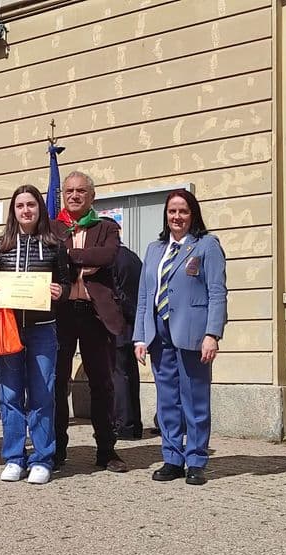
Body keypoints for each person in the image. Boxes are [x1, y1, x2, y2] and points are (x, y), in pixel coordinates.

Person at [133, 189, 227, 486]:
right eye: (172, 211)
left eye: (183, 211)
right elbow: (145, 296)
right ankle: (172, 458)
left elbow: (217, 292)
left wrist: (212, 334)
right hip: (159, 332)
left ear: (193, 214)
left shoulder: (206, 245)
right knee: (167, 401)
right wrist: (140, 337)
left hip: (192, 332)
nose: (177, 217)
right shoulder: (154, 249)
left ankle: (196, 460)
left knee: (194, 399)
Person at [0, 185, 70, 484]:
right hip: (8, 328)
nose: (26, 210)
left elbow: (66, 284)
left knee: (43, 394)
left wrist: (60, 291)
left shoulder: (55, 245)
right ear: (13, 211)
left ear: (39, 208)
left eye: (31, 205)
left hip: (42, 329)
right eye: (20, 206)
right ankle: (14, 457)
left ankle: (42, 458)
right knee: (9, 395)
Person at [51, 171, 127, 473]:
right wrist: (83, 259)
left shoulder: (106, 227)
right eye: (69, 190)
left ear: (92, 196)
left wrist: (68, 256)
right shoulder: (52, 228)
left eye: (81, 191)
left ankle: (106, 450)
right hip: (61, 313)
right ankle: (57, 449)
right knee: (57, 383)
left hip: (96, 315)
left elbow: (108, 255)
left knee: (102, 384)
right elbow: (49, 261)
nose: (74, 195)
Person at [112, 238, 144, 440]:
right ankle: (134, 425)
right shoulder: (133, 257)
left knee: (118, 375)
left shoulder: (113, 258)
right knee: (130, 374)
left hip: (118, 324)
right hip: (132, 326)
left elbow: (116, 293)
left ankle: (123, 424)